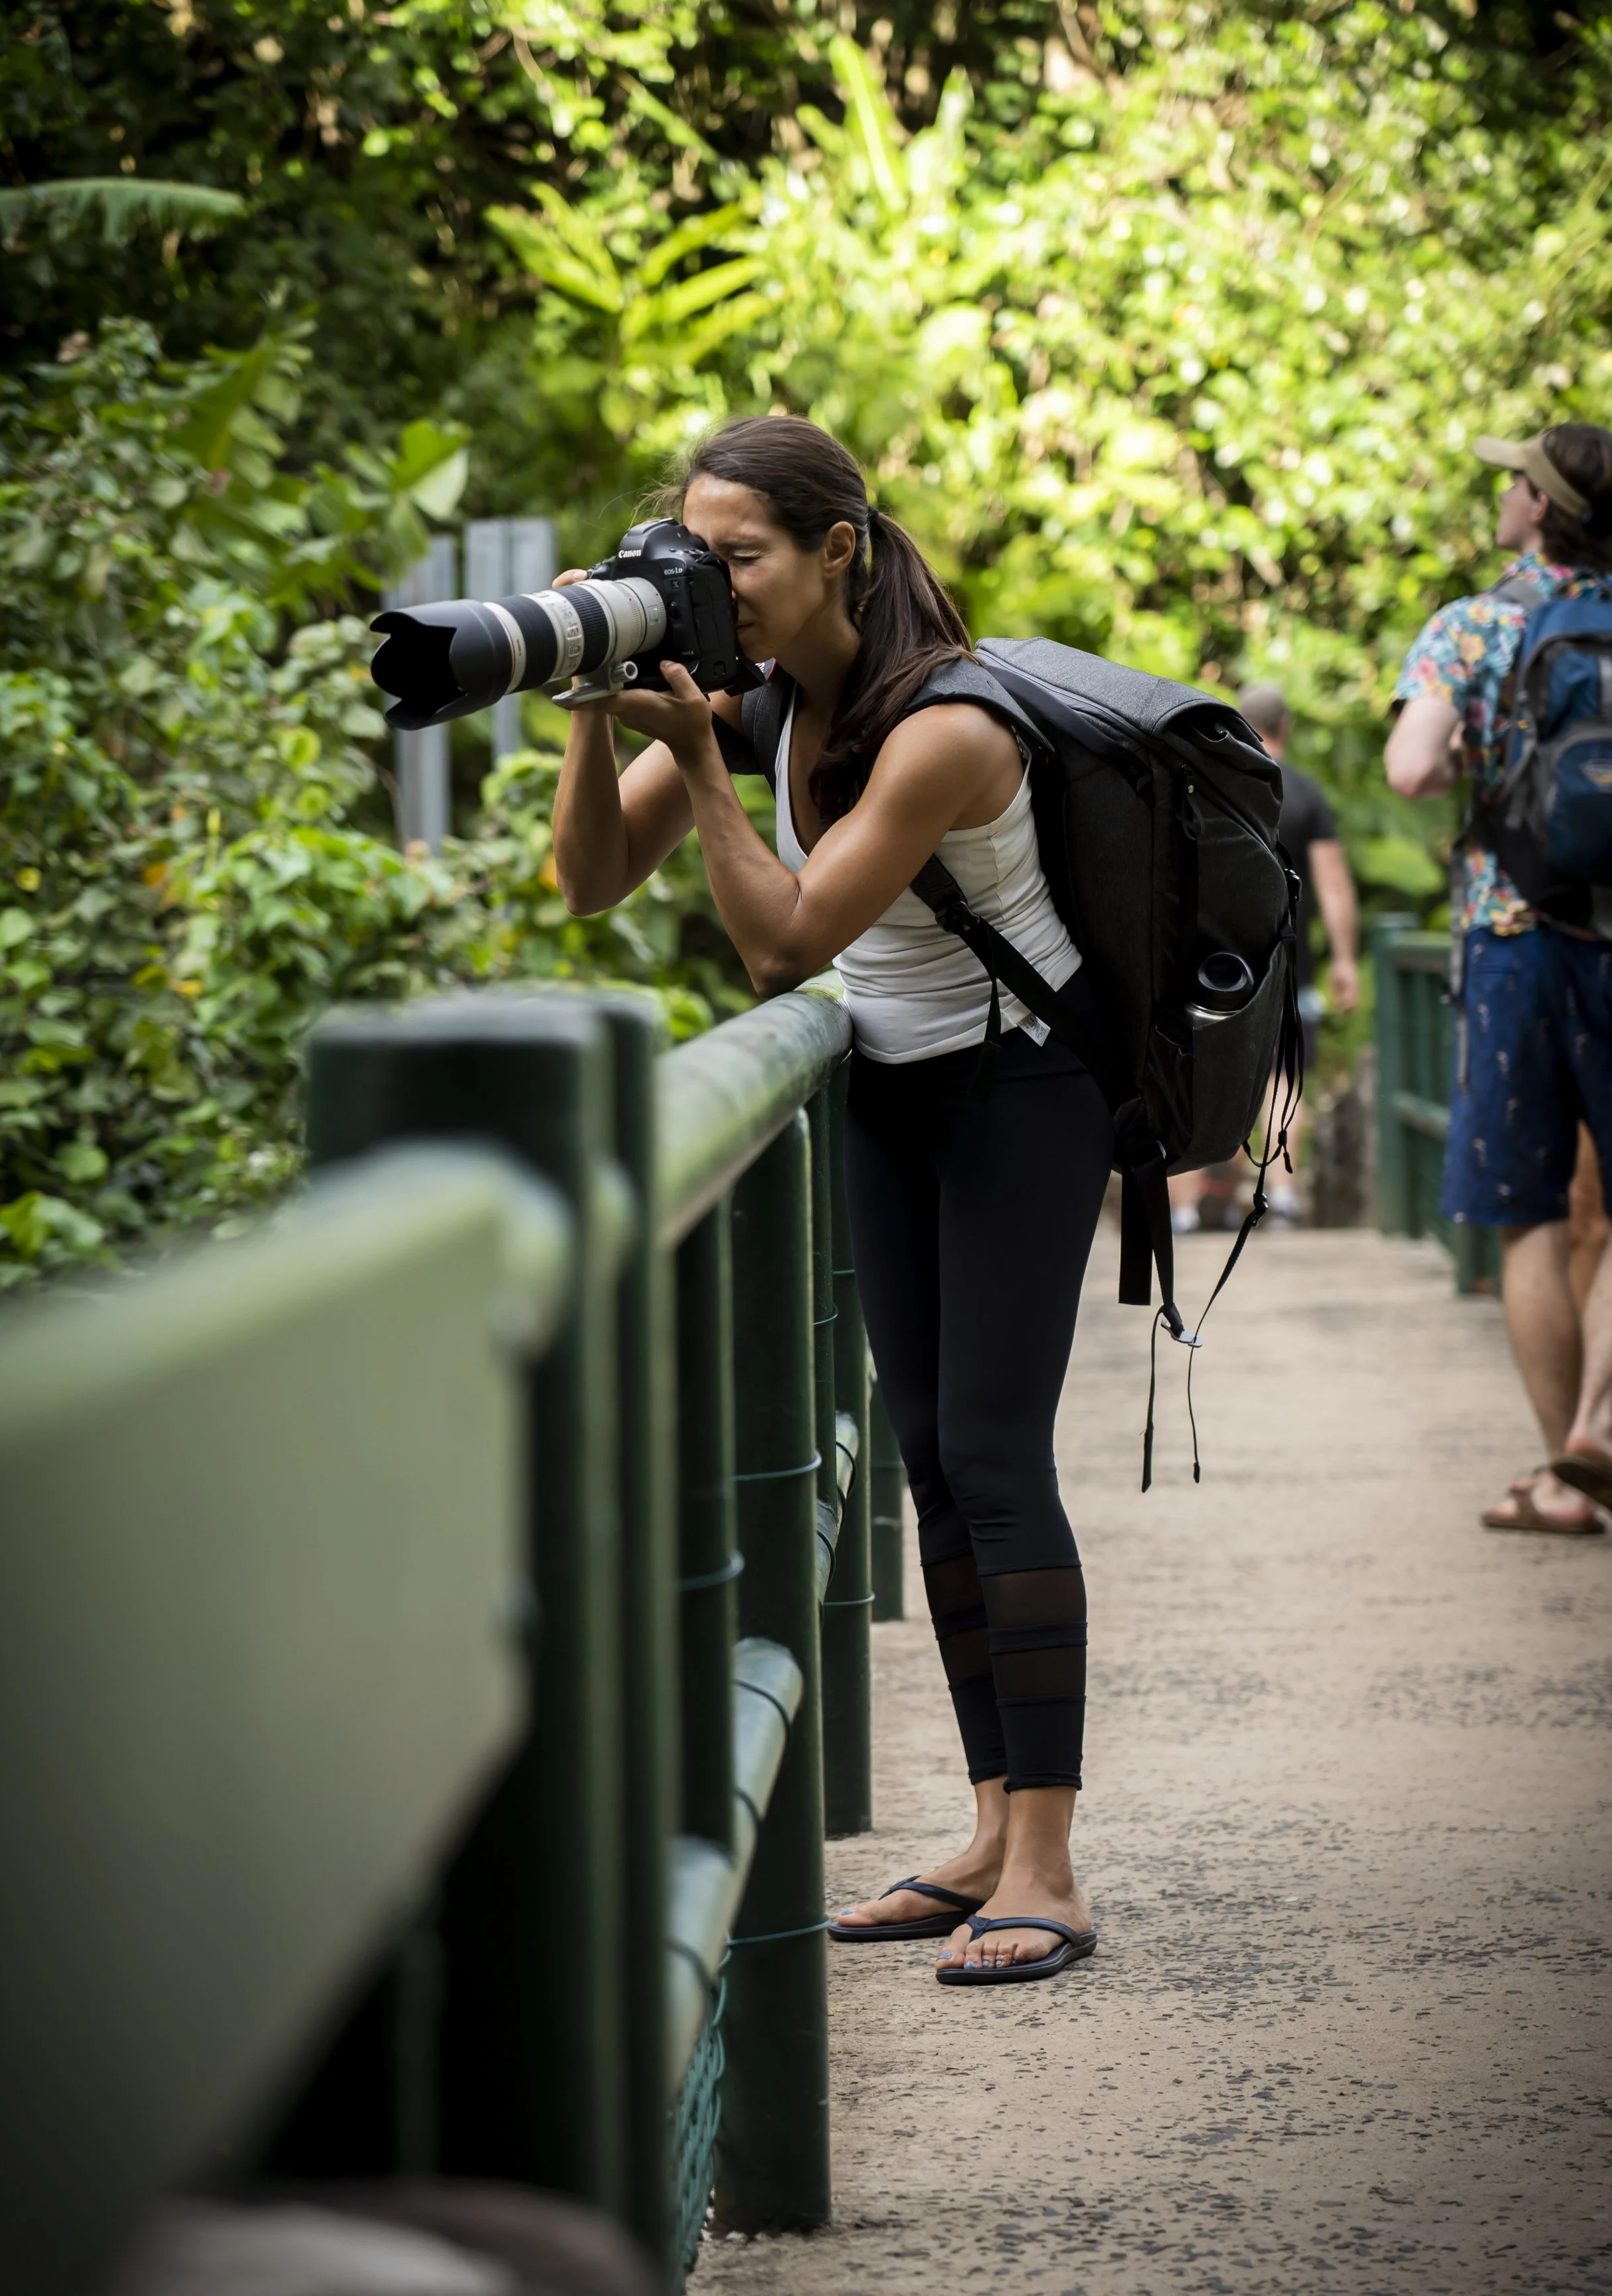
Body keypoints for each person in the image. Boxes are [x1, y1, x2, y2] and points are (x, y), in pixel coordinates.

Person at [552, 415, 1110, 1983]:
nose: (713, 582)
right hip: (896, 1090)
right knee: (926, 1457)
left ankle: (1049, 1865)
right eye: (698, 554)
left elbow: (784, 945)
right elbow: (589, 882)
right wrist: (593, 713)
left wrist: (696, 755)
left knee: (992, 1453)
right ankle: (989, 1828)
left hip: (1024, 1089)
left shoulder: (943, 724)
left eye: (740, 556)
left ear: (835, 550)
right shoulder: (770, 700)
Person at [1386, 422, 1612, 1535]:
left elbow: (1411, 768)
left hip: (1514, 933)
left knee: (1526, 1215)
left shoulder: (1477, 624)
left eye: (1516, 479)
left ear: (1540, 506)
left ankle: (1564, 1475)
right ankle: (1599, 1428)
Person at [1167, 682, 1360, 1232]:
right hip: (1286, 959)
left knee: (1194, 1073)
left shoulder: (1204, 783)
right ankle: (1282, 1194)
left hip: (1208, 959)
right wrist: (1345, 959)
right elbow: (1333, 884)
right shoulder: (1304, 793)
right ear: (1286, 727)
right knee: (1282, 1075)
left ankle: (1183, 1209)